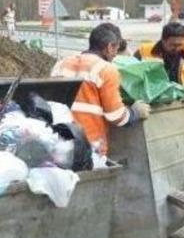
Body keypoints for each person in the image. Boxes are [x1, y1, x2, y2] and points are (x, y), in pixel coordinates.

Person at [51, 23, 150, 155]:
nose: (116, 55)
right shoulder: (106, 70)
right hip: (89, 146)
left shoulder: (60, 64)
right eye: (116, 49)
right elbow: (116, 116)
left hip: (58, 143)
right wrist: (135, 112)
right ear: (109, 47)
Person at [134, 22, 184, 98]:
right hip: (149, 100)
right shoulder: (144, 53)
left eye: (180, 45)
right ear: (163, 40)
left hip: (180, 102)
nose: (176, 48)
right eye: (172, 45)